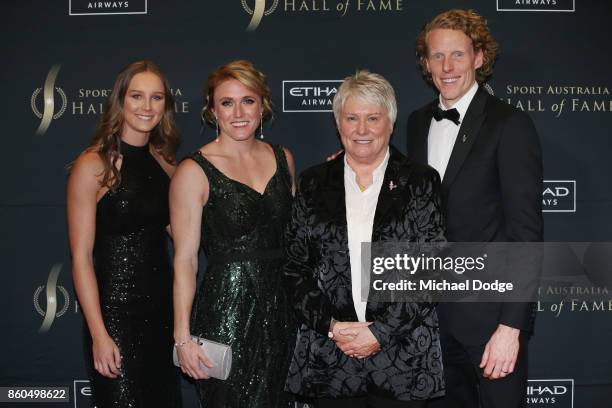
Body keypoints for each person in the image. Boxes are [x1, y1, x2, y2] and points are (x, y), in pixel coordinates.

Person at [406, 9, 543, 408]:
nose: (446, 67)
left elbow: (525, 235)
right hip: (430, 324)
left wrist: (511, 327)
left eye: (458, 55)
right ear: (425, 62)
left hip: (490, 324)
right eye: (436, 56)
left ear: (480, 57)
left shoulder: (509, 124)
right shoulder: (417, 123)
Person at [284, 70, 445, 408]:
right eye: (351, 118)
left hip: (403, 361)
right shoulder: (313, 183)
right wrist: (332, 327)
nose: (361, 130)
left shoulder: (420, 182)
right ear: (338, 123)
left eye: (373, 118)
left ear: (390, 122)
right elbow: (294, 267)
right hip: (331, 359)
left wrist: (379, 333)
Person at [171, 60, 296, 407]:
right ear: (213, 110)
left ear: (263, 105)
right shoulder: (194, 171)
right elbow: (184, 260)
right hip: (225, 313)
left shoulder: (283, 158)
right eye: (227, 103)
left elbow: (297, 236)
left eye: (248, 101)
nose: (238, 112)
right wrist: (183, 337)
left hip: (284, 311)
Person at [67, 60, 181, 407]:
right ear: (120, 101)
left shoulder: (165, 164)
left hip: (163, 315)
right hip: (115, 316)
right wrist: (100, 334)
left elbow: (185, 235)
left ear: (165, 106)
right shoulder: (94, 165)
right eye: (137, 96)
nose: (147, 107)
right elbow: (81, 259)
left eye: (156, 98)